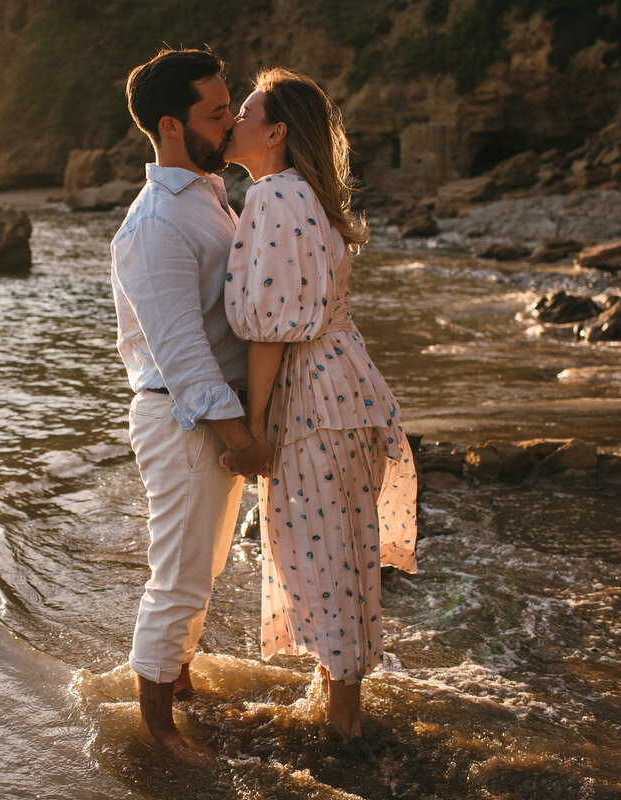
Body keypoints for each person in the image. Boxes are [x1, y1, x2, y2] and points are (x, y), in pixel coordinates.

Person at [221, 68, 419, 741]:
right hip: (350, 389)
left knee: (322, 558)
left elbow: (271, 329)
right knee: (342, 558)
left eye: (243, 112)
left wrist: (250, 431)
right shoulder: (306, 196)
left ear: (274, 132)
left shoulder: (273, 198)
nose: (231, 121)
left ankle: (344, 731)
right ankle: (340, 706)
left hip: (315, 400)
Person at [110, 49, 274, 761]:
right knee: (180, 574)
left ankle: (175, 683)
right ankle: (157, 730)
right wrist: (243, 440)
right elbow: (181, 355)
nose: (232, 119)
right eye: (217, 112)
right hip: (184, 421)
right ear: (172, 126)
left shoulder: (207, 193)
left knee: (198, 569)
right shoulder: (154, 227)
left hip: (212, 417)